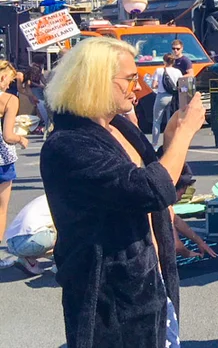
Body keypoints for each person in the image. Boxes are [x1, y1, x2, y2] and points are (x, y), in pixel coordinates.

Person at [40, 36, 206, 348]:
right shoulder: (69, 144)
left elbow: (159, 184)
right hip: (109, 296)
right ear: (98, 82)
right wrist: (185, 133)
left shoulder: (118, 125)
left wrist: (172, 138)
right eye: (130, 79)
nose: (138, 87)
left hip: (150, 279)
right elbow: (149, 189)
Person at [0, 60, 29, 257]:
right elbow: (8, 135)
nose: (9, 84)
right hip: (3, 159)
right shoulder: (10, 100)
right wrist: (21, 138)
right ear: (3, 77)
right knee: (2, 208)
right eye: (9, 81)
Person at [172, 165, 217, 260]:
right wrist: (188, 253)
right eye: (181, 194)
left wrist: (199, 242)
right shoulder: (159, 207)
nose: (180, 199)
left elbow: (175, 220)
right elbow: (177, 246)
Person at [3, 194, 55, 276]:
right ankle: (60, 263)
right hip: (29, 240)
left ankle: (29, 260)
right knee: (66, 232)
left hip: (11, 243)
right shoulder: (63, 201)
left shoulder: (48, 197)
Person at [151, 53, 182, 146]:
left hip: (161, 96)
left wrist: (159, 85)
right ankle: (169, 143)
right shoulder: (177, 71)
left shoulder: (159, 70)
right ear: (173, 61)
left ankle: (155, 144)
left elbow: (153, 85)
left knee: (156, 121)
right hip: (173, 97)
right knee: (170, 122)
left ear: (164, 61)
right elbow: (180, 84)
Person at [25, 61, 48, 134]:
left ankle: (39, 121)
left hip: (37, 89)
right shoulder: (31, 71)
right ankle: (40, 121)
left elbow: (43, 79)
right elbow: (29, 83)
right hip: (33, 90)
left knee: (38, 105)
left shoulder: (39, 71)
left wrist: (46, 85)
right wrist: (40, 85)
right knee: (38, 104)